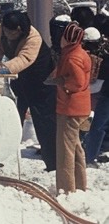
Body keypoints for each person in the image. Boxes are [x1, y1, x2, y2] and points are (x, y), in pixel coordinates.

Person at [0, 10, 56, 171]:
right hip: (19, 78)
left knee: (43, 120)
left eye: (12, 32)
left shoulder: (33, 37)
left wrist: (5, 69)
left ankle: (52, 161)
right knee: (12, 115)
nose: (8, 34)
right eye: (5, 30)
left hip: (40, 80)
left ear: (20, 29)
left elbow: (24, 58)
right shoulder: (1, 32)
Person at [48, 22, 91, 194]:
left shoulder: (72, 57)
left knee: (65, 150)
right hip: (81, 106)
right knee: (75, 147)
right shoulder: (80, 53)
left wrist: (63, 83)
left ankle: (66, 189)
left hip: (70, 106)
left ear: (67, 38)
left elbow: (78, 82)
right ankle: (80, 184)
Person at [82, 14, 109, 164]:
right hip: (103, 94)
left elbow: (97, 84)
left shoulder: (102, 59)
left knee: (96, 127)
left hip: (104, 95)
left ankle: (89, 157)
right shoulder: (102, 56)